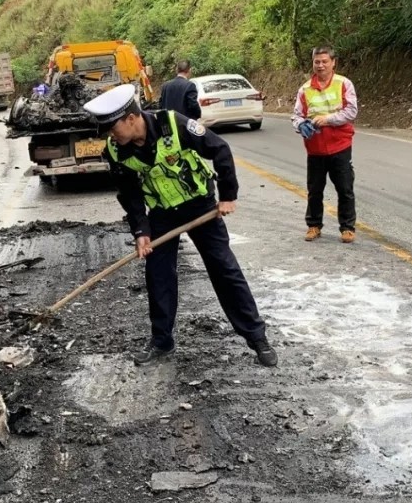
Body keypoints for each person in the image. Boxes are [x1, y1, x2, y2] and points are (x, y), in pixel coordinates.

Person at [83, 83, 277, 367]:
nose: (111, 136)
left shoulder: (173, 124)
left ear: (131, 118)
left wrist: (228, 196)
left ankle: (257, 337)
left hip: (199, 205)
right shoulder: (116, 151)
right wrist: (141, 231)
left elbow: (220, 149)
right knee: (158, 275)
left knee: (225, 269)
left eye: (113, 128)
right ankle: (162, 341)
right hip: (162, 214)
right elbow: (130, 195)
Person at [291, 46, 358, 244]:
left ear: (333, 62)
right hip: (315, 148)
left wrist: (328, 119)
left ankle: (347, 228)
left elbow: (351, 111)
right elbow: (296, 115)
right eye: (317, 62)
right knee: (315, 189)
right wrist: (300, 125)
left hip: (340, 145)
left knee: (345, 188)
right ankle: (313, 226)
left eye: (324, 61)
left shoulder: (344, 84)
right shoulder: (304, 89)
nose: (320, 65)